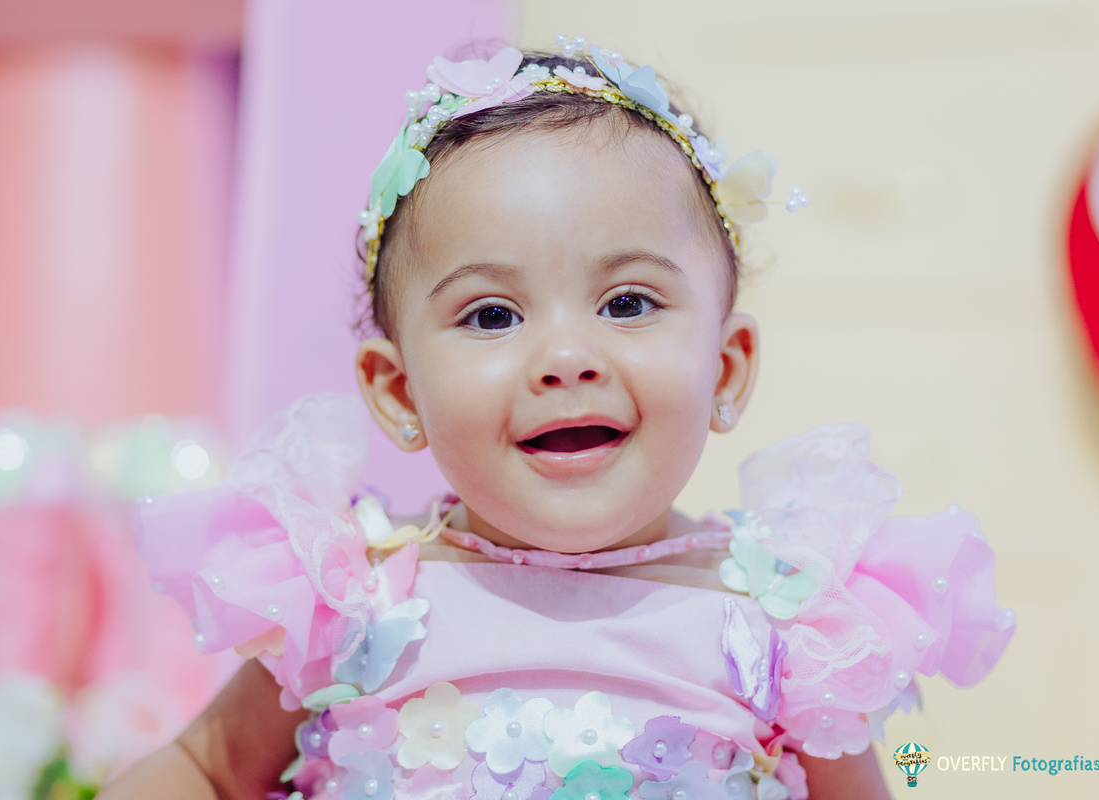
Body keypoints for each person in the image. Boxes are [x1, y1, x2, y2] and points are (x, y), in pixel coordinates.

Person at [100, 40, 1015, 800]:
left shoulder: (789, 626)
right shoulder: (349, 598)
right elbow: (204, 768)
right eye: (492, 315)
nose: (567, 356)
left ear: (726, 369)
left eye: (627, 303)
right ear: (399, 391)